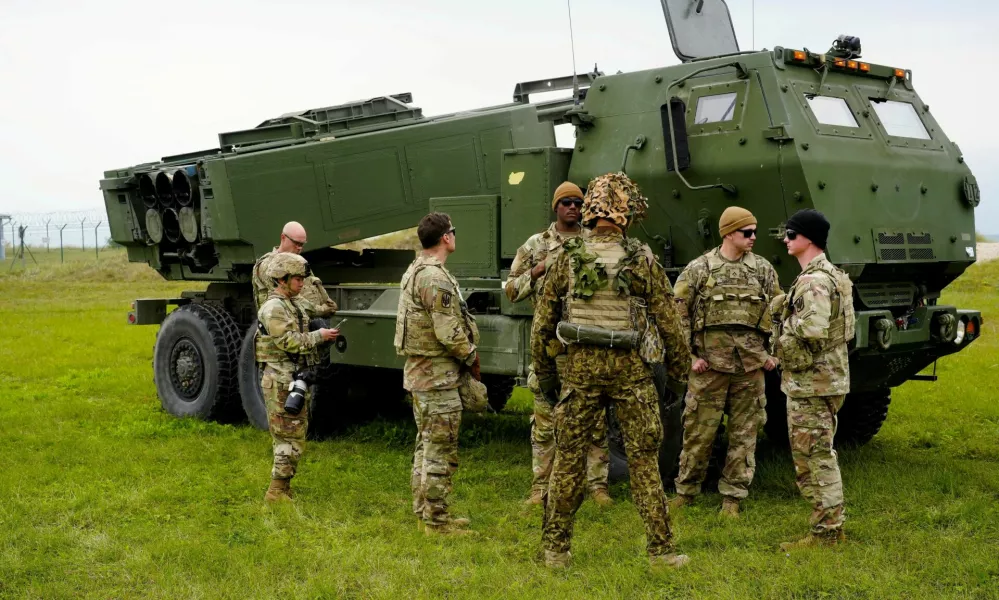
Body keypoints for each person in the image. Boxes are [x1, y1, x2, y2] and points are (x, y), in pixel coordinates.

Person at [532, 172, 691, 569]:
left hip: (581, 371)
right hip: (631, 372)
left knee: (568, 458)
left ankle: (556, 551)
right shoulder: (640, 259)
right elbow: (669, 323)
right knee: (643, 460)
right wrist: (676, 377)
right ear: (628, 213)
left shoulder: (566, 257)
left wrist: (548, 375)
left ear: (590, 210)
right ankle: (661, 552)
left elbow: (542, 325)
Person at [505, 181, 612, 508]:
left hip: (586, 345)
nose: (573, 208)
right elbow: (510, 290)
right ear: (556, 206)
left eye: (578, 203)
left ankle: (597, 486)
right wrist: (536, 271)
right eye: (566, 202)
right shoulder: (537, 244)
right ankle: (541, 488)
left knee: (595, 422)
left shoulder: (593, 243)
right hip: (550, 348)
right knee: (545, 424)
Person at [671, 207, 781, 517]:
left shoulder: (762, 270)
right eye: (747, 232)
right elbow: (676, 315)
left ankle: (733, 498)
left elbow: (778, 313)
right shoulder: (699, 269)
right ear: (728, 233)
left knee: (744, 435)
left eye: (755, 231)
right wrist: (690, 357)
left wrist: (772, 354)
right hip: (709, 368)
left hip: (749, 368)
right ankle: (686, 492)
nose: (753, 237)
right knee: (698, 433)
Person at [394, 212, 481, 536]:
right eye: (453, 232)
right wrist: (471, 356)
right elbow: (447, 332)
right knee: (439, 450)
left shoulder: (416, 270)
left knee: (426, 446)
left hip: (422, 375)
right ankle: (437, 522)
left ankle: (425, 513)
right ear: (446, 237)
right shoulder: (434, 277)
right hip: (437, 377)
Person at [773, 208, 854, 549]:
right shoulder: (833, 274)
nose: (786, 240)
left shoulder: (813, 281)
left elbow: (813, 331)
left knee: (815, 458)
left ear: (807, 238)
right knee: (816, 454)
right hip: (826, 379)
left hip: (813, 383)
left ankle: (827, 532)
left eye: (791, 234)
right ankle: (828, 526)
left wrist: (783, 322)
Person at [255, 253, 339, 502]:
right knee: (287, 437)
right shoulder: (273, 309)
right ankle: (276, 491)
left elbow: (327, 308)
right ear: (282, 280)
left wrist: (317, 284)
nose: (302, 283)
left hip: (292, 378)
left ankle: (283, 486)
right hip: (280, 380)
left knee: (295, 434)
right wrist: (319, 336)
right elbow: (289, 342)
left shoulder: (294, 303)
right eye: (298, 279)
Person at [252, 221, 338, 318]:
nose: (299, 248)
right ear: (283, 237)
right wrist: (320, 310)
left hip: (304, 324)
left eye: (302, 244)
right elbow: (290, 298)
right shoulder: (269, 265)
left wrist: (328, 303)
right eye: (296, 243)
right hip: (283, 325)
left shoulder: (298, 262)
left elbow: (313, 286)